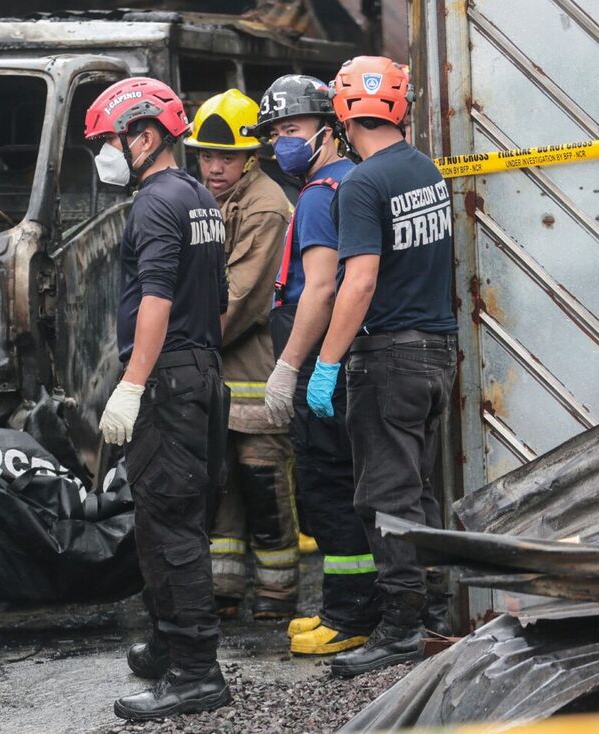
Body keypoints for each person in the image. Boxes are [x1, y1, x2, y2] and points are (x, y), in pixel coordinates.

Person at [85, 77, 231, 720]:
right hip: (198, 370)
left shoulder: (152, 203)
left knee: (170, 528)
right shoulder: (197, 194)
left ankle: (196, 672)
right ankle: (172, 645)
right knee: (171, 519)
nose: (104, 156)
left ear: (144, 136)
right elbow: (218, 297)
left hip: (167, 379)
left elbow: (156, 299)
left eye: (108, 142)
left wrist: (132, 384)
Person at [307, 56, 457, 677]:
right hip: (436, 354)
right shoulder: (426, 171)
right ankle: (435, 612)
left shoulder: (363, 185)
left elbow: (358, 281)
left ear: (343, 114)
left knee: (385, 495)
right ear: (401, 107)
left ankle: (400, 626)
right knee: (418, 488)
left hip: (389, 357)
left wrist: (326, 361)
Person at [253, 74, 382, 656]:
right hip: (357, 358)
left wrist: (289, 365)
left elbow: (321, 288)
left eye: (293, 129)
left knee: (326, 485)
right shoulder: (353, 181)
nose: (282, 142)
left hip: (325, 361)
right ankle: (352, 604)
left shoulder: (322, 193)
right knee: (350, 482)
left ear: (329, 132)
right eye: (275, 132)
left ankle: (349, 614)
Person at [184, 89, 298, 622]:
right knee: (221, 487)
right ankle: (223, 592)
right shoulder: (206, 200)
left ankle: (277, 594)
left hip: (255, 378)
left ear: (251, 155)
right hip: (217, 382)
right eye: (206, 155)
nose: (214, 166)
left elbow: (240, 299)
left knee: (263, 484)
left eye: (225, 156)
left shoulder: (267, 206)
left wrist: (176, 342)